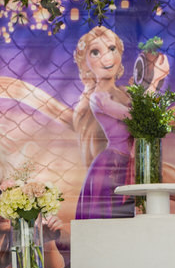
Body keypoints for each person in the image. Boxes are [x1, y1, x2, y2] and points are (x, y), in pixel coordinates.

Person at [72, 27, 169, 220]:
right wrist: (153, 83)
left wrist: (150, 84)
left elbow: (150, 118)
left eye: (111, 49)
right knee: (113, 223)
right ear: (86, 63)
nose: (106, 58)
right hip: (113, 168)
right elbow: (135, 117)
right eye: (95, 52)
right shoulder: (99, 98)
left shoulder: (126, 91)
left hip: (135, 164)